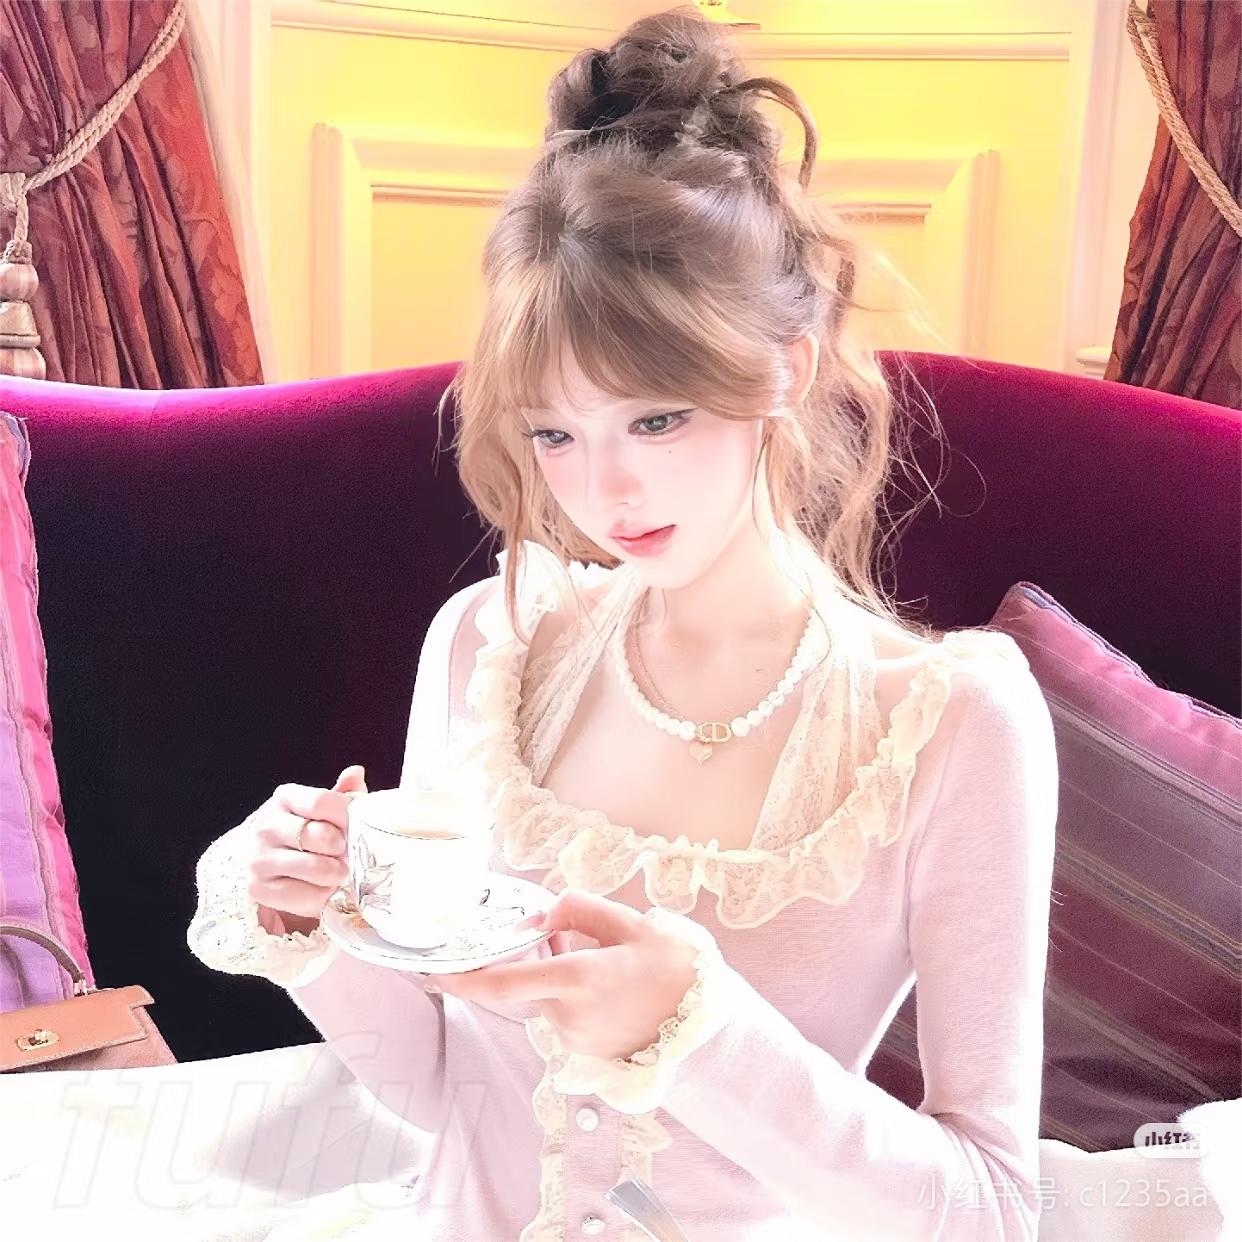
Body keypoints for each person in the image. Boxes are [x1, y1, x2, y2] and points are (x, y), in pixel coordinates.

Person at [187, 6, 1058, 1239]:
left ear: (788, 366)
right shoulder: (490, 650)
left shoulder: (948, 722)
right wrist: (312, 924)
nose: (605, 493)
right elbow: (443, 1089)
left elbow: (993, 1209)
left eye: (657, 419)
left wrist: (699, 1033)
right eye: (556, 433)